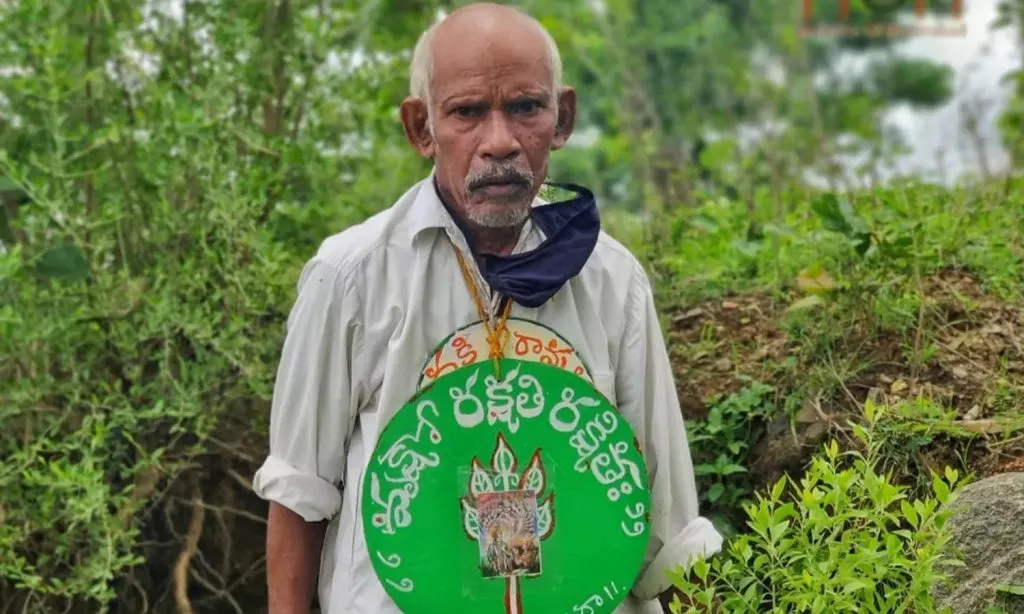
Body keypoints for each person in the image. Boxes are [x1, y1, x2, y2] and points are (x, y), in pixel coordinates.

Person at [252, 3, 723, 613]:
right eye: (468, 112)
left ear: (563, 118)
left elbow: (667, 519)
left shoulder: (611, 280)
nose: (499, 142)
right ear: (421, 128)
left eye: (526, 107)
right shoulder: (351, 277)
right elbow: (299, 492)